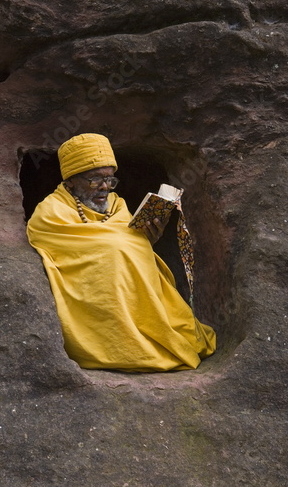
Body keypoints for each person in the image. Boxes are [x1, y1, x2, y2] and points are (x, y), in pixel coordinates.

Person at [27, 133, 216, 372]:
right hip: (95, 304)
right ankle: (126, 340)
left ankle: (154, 328)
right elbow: (100, 252)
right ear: (72, 180)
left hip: (138, 298)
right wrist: (121, 245)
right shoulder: (50, 211)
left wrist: (148, 240)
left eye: (110, 179)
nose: (105, 187)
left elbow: (128, 250)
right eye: (95, 179)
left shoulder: (117, 205)